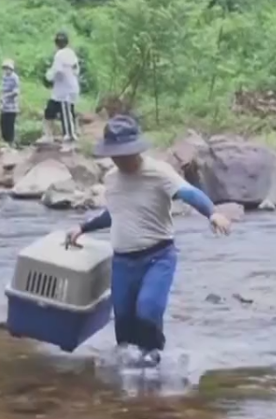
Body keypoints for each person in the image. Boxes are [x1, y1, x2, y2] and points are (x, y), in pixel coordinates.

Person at [65, 115, 231, 366]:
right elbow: (116, 213)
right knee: (123, 323)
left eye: (124, 154)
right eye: (115, 155)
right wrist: (83, 227)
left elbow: (189, 193)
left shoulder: (158, 172)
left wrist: (213, 213)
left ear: (136, 150)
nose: (119, 159)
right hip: (122, 261)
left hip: (158, 256)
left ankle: (156, 364)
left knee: (147, 311)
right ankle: (130, 384)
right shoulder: (112, 179)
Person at [40, 30, 80, 151]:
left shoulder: (59, 55)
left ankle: (70, 139)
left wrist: (48, 77)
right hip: (65, 89)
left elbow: (58, 71)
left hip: (65, 91)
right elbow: (76, 70)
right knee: (50, 111)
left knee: (66, 115)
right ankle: (48, 136)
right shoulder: (71, 53)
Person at [0, 59, 20, 146]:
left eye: (7, 68)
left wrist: (6, 96)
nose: (6, 70)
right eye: (4, 68)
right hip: (4, 106)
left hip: (12, 106)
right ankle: (5, 142)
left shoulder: (14, 77)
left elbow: (16, 91)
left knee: (10, 125)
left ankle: (11, 143)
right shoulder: (4, 77)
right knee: (3, 124)